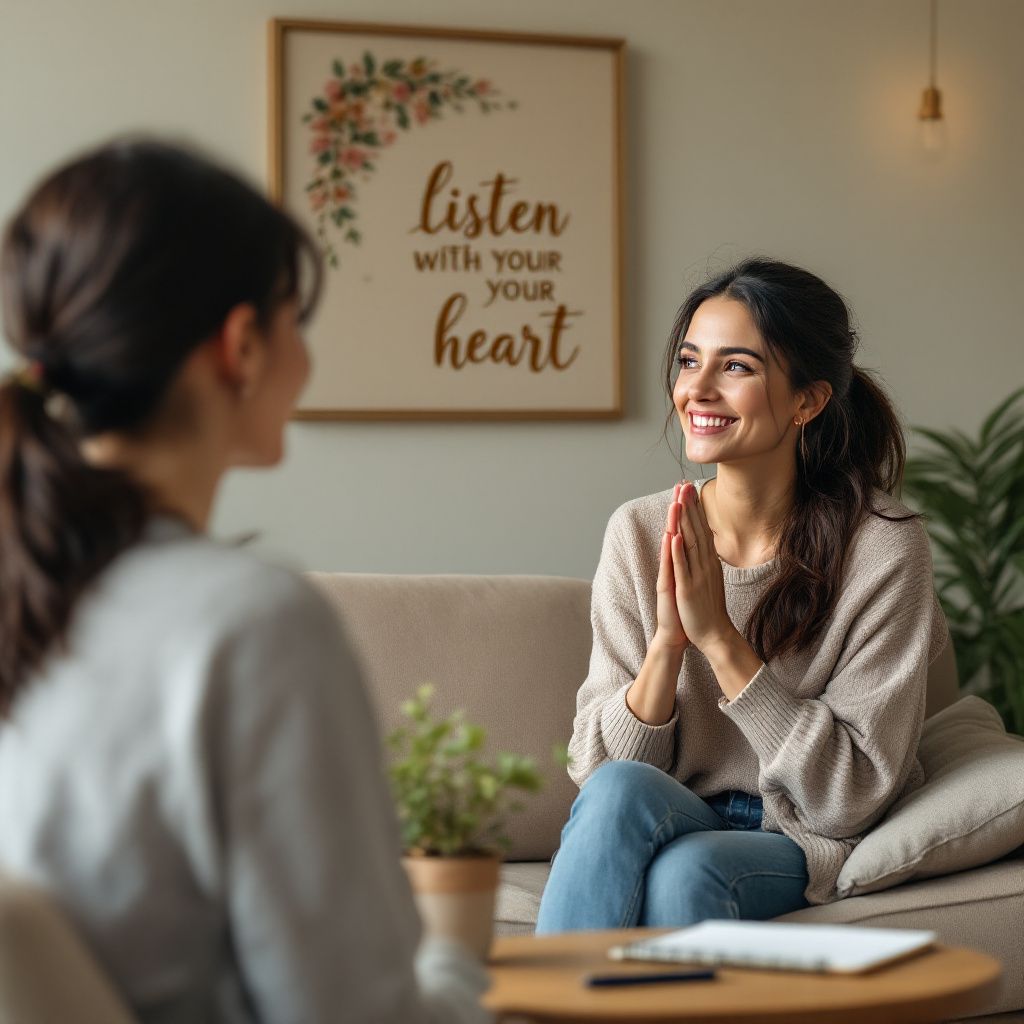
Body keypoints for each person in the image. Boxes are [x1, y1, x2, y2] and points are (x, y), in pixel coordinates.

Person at [0, 139, 491, 1023]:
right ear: (241, 346)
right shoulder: (249, 626)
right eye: (293, 319)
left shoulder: (34, 595)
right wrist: (462, 972)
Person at [536, 257, 948, 932]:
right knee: (620, 791)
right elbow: (599, 776)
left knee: (688, 871)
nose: (697, 389)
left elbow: (849, 796)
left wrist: (720, 639)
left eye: (736, 367)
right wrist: (668, 643)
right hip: (676, 808)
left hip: (797, 833)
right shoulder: (640, 531)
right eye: (688, 360)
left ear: (807, 401)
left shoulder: (883, 546)